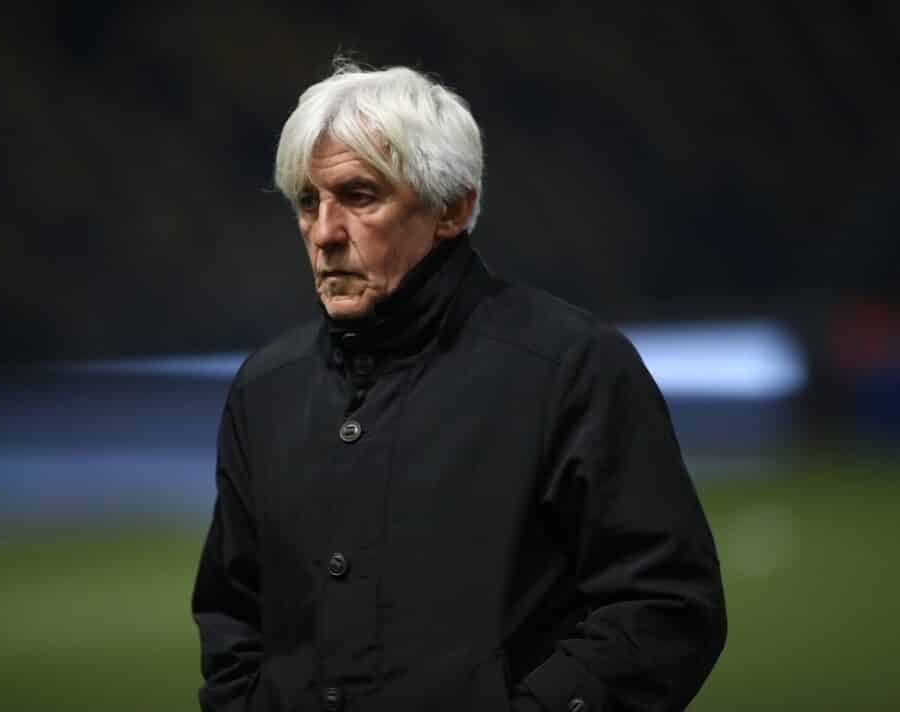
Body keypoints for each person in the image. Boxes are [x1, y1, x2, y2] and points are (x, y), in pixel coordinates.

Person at [192, 60, 726, 712]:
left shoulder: (571, 369)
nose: (325, 233)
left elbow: (666, 604)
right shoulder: (265, 391)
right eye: (308, 202)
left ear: (453, 208)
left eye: (359, 197)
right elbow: (232, 623)